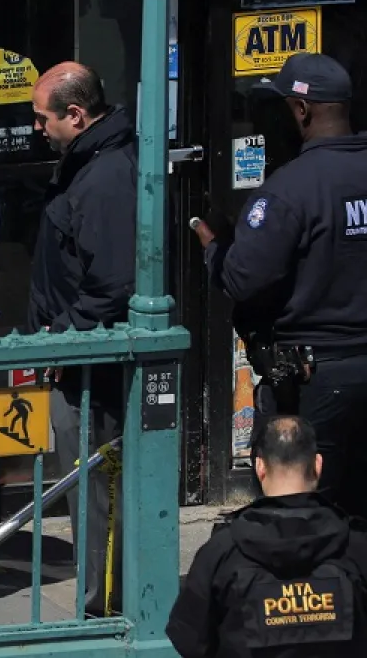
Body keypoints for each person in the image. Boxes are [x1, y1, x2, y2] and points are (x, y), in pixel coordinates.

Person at [192, 53, 367, 519]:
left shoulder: (288, 190)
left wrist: (214, 247)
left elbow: (241, 278)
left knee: (296, 517)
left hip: (314, 383)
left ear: (301, 112)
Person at [27, 61, 138, 619]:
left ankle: (106, 608)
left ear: (74, 114)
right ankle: (104, 599)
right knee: (89, 488)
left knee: (98, 491)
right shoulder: (88, 164)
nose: (37, 128)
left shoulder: (105, 174)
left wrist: (65, 335)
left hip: (94, 363)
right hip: (79, 355)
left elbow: (114, 280)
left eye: (42, 117)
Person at [166, 416, 367, 657]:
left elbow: (190, 640)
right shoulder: (356, 548)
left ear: (260, 467)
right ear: (318, 465)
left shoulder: (222, 552)